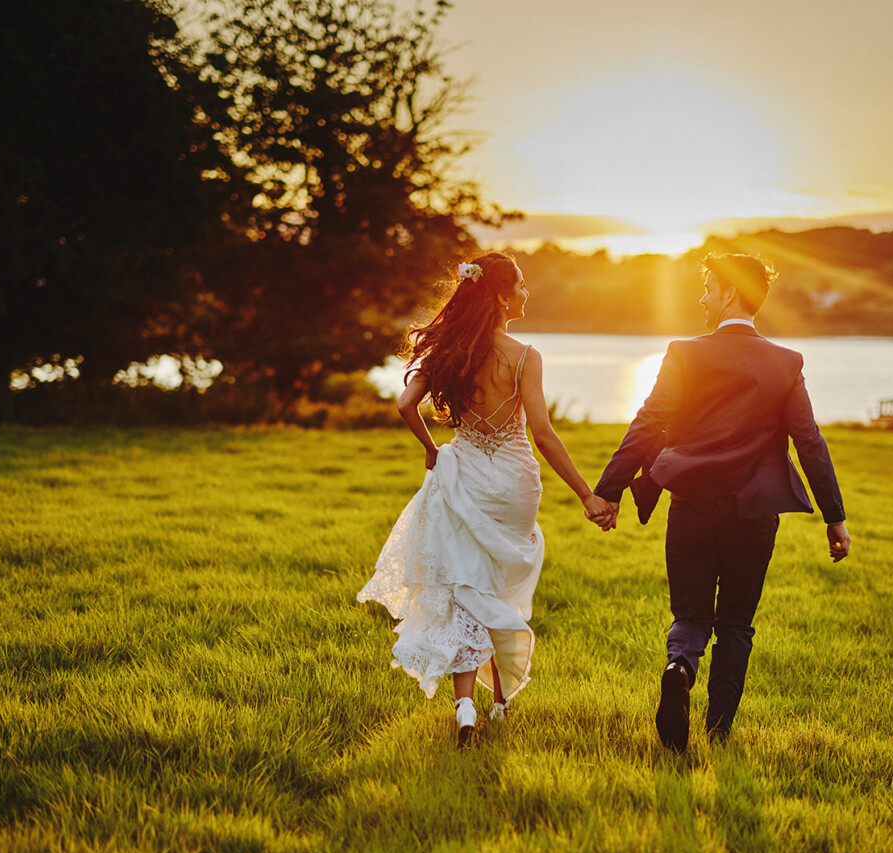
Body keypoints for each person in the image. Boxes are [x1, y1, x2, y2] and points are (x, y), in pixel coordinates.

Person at [590, 253, 850, 752]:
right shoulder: (786, 362)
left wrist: (608, 491)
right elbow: (809, 441)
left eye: (708, 287)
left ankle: (679, 668)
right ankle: (719, 731)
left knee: (690, 616)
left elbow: (648, 423)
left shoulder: (684, 353)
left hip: (690, 507)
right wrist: (834, 517)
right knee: (736, 623)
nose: (703, 296)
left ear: (730, 293)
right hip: (754, 517)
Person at [358, 251, 616, 748]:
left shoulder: (446, 351)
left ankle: (465, 707)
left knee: (465, 589)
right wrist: (587, 495)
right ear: (499, 295)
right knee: (497, 588)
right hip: (516, 483)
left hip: (467, 475)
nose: (525, 293)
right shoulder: (524, 356)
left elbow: (406, 404)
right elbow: (542, 432)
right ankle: (498, 704)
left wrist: (433, 450)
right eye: (520, 285)